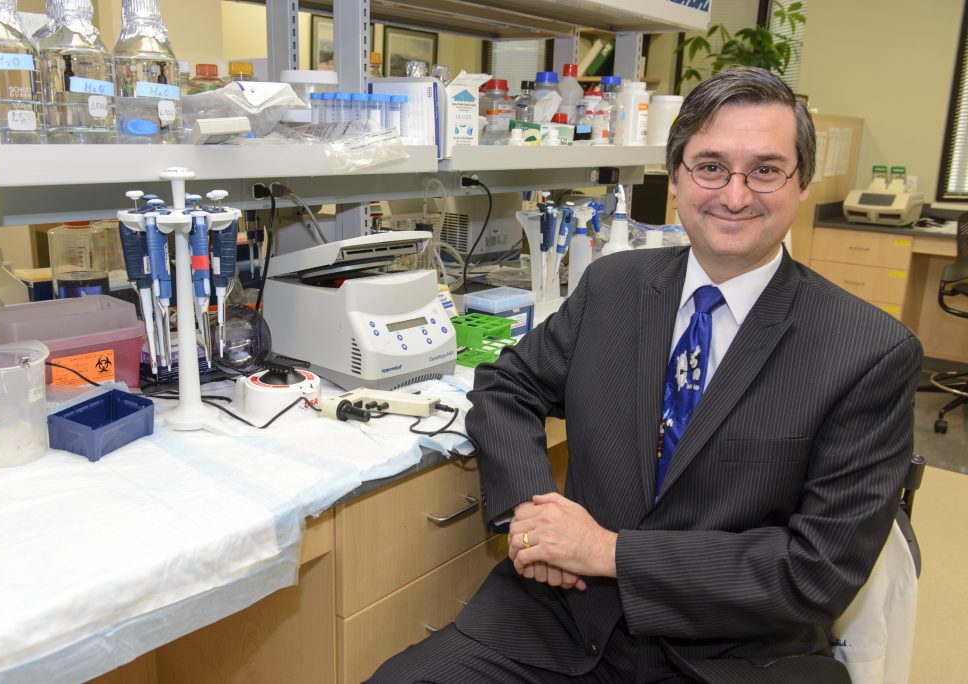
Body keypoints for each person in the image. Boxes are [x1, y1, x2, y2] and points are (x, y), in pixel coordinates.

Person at [369, 67, 922, 683]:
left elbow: (814, 572)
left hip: (731, 653)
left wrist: (607, 551)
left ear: (801, 184)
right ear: (677, 176)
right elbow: (507, 386)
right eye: (710, 166)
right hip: (563, 619)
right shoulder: (615, 286)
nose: (734, 196)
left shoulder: (868, 351)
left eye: (765, 170)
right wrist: (537, 521)